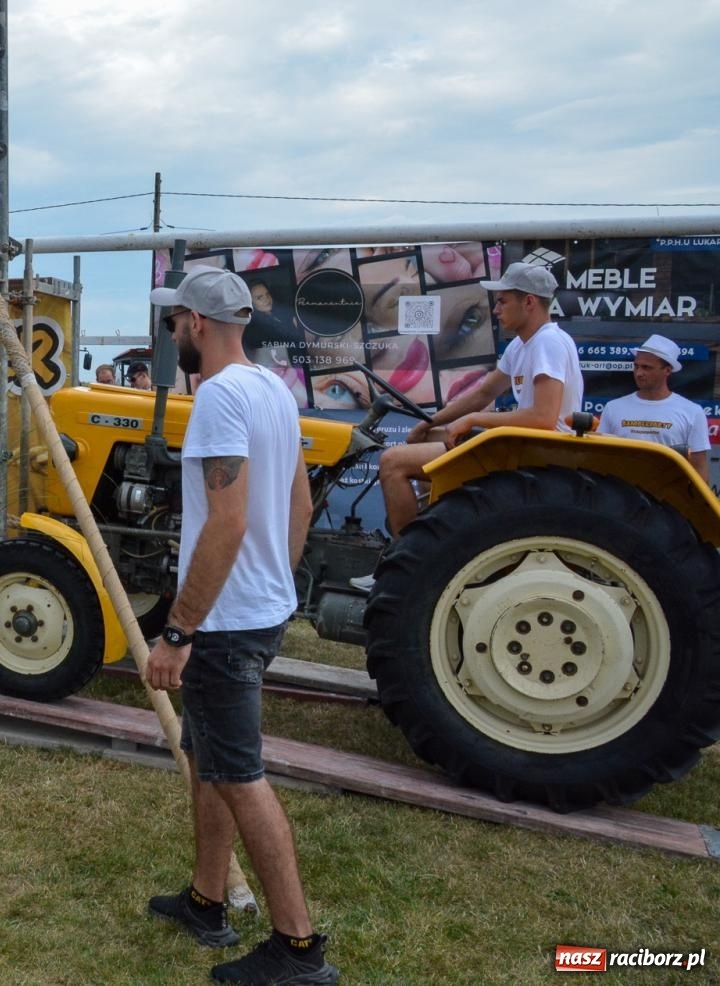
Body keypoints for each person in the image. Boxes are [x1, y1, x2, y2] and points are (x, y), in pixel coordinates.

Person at [141, 266, 337, 985]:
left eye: (173, 322)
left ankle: (298, 949)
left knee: (240, 775)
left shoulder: (221, 396)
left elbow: (224, 521)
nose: (170, 335)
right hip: (255, 609)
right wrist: (272, 586)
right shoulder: (275, 393)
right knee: (211, 760)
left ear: (195, 322)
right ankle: (207, 900)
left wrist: (178, 632)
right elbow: (301, 508)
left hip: (223, 624)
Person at [372, 262, 582, 539]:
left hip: (540, 455)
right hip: (525, 447)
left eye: (503, 302)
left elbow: (542, 419)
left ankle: (405, 557)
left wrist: (473, 419)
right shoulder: (521, 344)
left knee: (392, 463)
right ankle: (435, 538)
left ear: (529, 302)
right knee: (427, 438)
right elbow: (483, 394)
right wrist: (430, 422)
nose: (496, 310)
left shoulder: (548, 342)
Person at [597, 333, 710, 476]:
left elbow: (699, 468)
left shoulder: (692, 412)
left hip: (669, 495)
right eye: (636, 366)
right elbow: (600, 459)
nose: (639, 373)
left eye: (647, 367)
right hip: (622, 494)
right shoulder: (613, 408)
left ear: (667, 370)